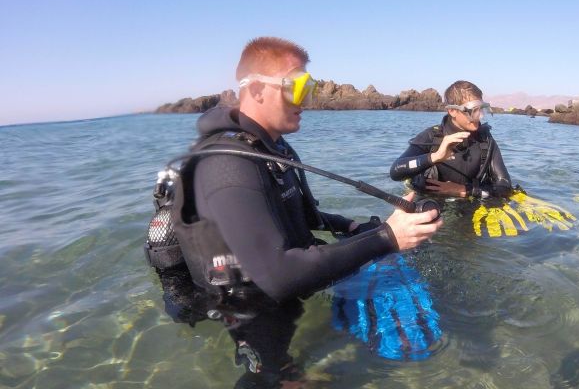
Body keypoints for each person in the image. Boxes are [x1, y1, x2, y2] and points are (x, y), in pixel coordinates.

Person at [169, 36, 441, 303]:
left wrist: (354, 226)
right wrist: (387, 238)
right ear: (256, 90)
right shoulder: (227, 163)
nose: (306, 101)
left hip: (297, 282)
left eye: (309, 89)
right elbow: (279, 277)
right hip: (252, 315)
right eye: (297, 88)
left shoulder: (269, 147)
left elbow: (294, 212)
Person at [389, 80, 512, 199]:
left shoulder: (486, 141)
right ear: (452, 110)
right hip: (432, 207)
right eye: (473, 110)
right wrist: (435, 157)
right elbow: (395, 171)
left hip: (469, 206)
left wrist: (465, 190)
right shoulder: (431, 137)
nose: (479, 116)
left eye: (481, 109)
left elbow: (505, 187)